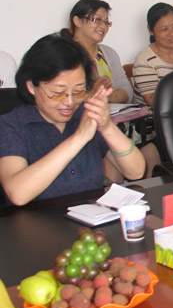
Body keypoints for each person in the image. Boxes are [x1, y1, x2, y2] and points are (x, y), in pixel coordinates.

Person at [0, 35, 145, 205]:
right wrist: (79, 138)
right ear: (31, 86)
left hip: (91, 217)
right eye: (58, 93)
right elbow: (18, 194)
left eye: (78, 92)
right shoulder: (11, 125)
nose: (69, 102)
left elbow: (136, 172)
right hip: (36, 220)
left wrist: (106, 126)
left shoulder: (85, 115)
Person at [61, 0, 133, 104]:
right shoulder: (61, 54)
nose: (103, 26)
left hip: (107, 112)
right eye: (97, 20)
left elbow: (126, 90)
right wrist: (91, 96)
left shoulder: (109, 54)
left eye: (106, 22)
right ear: (77, 21)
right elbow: (57, 95)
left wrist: (110, 97)